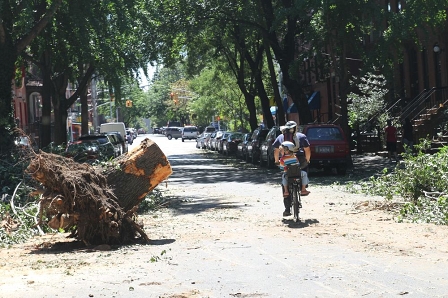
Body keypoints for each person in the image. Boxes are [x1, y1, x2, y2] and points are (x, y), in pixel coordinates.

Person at [273, 121, 311, 217]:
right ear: (296, 128)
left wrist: (277, 161)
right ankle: (303, 187)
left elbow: (276, 150)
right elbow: (307, 150)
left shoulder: (280, 137)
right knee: (302, 172)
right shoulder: (301, 136)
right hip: (299, 159)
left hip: (285, 160)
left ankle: (287, 208)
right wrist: (307, 160)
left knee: (285, 177)